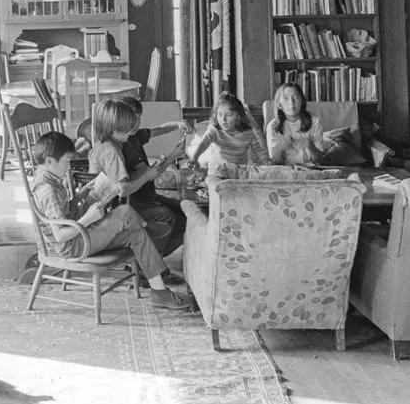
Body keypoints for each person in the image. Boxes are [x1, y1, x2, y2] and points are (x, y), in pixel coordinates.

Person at [27, 131, 187, 307]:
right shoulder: (47, 190)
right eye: (66, 161)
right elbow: (60, 236)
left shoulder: (48, 178)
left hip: (77, 235)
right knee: (124, 212)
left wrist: (82, 193)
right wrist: (88, 218)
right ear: (50, 161)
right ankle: (147, 227)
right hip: (71, 245)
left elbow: (61, 214)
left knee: (136, 235)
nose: (68, 166)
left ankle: (159, 291)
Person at [89, 95, 185, 253]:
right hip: (124, 204)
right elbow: (124, 188)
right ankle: (147, 258)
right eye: (131, 121)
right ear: (116, 124)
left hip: (129, 200)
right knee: (168, 218)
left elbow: (159, 129)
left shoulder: (118, 142)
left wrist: (177, 124)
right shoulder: (116, 149)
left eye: (137, 120)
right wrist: (171, 157)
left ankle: (150, 257)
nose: (135, 125)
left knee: (181, 212)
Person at [186, 92, 268, 174]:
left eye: (229, 115)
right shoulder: (215, 131)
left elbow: (259, 150)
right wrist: (195, 157)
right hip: (217, 172)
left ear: (238, 117)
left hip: (239, 173)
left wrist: (266, 163)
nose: (223, 119)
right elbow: (204, 143)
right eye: (220, 114)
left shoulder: (248, 133)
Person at [265, 82, 332, 167]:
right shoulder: (273, 127)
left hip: (310, 168)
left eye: (296, 98)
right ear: (279, 105)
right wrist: (281, 148)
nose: (291, 103)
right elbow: (275, 161)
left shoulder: (314, 122)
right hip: (285, 170)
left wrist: (310, 146)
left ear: (302, 101)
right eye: (286, 98)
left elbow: (320, 159)